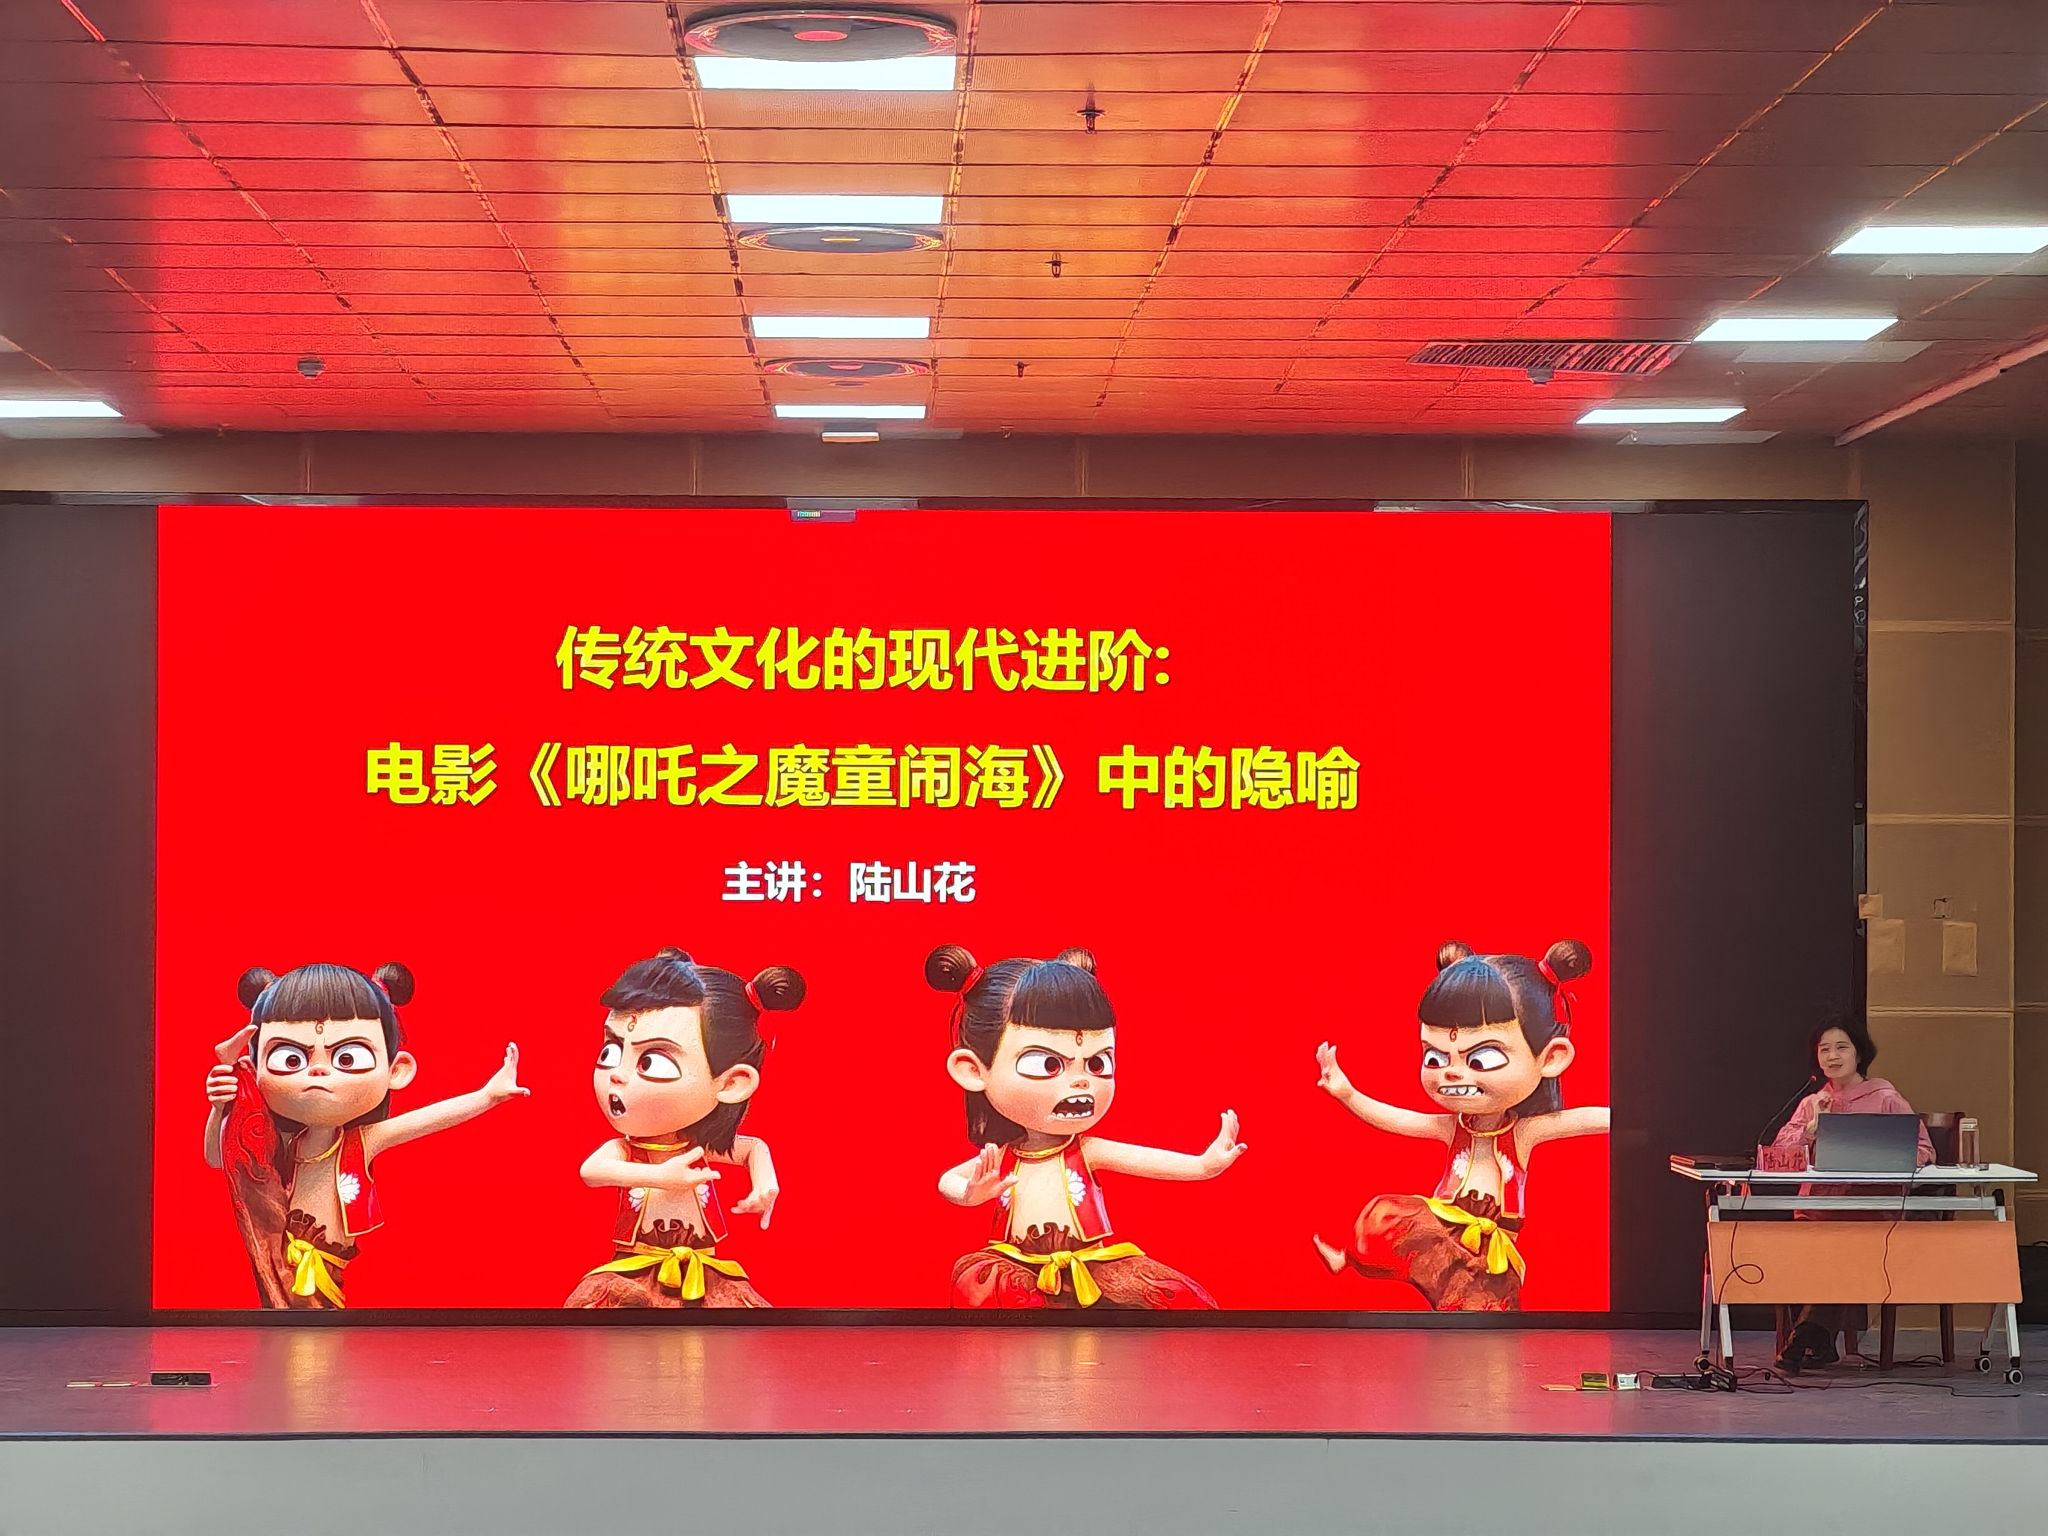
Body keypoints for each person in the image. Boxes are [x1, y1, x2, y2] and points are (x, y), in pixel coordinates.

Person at [931, 944, 1246, 1308]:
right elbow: (948, 1181)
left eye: (1098, 1064)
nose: (1081, 1081)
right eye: (1048, 1064)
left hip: (1091, 1267)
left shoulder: (1087, 1151)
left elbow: (1150, 1161)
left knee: (1174, 1301)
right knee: (989, 1296)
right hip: (1015, 1269)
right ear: (972, 1070)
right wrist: (970, 1194)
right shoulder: (1003, 1158)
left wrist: (1205, 1165)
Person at [202, 961, 527, 1308]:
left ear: (397, 1070)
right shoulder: (280, 1143)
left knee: (317, 1337)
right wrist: (224, 1107)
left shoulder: (360, 1143)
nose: (318, 1070)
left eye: (347, 1057)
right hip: (279, 1266)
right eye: (291, 1059)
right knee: (289, 1337)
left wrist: (487, 1096)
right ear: (255, 1070)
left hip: (325, 1267)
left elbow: (429, 1119)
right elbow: (219, 1158)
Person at [1312, 940, 1610, 1311]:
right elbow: (1396, 1119)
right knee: (1383, 1215)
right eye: (1435, 1057)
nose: (1452, 1072)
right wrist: (1348, 1094)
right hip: (1444, 1226)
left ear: (1552, 1057)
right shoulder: (1454, 1127)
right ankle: (1349, 1258)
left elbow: (1588, 1118)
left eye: (1482, 1058)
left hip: (1490, 1247)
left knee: (1479, 1313)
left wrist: (1643, 1116)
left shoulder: (1522, 1133)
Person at [566, 947, 801, 1308]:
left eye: (651, 1061)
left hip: (704, 1271)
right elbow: (592, 1171)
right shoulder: (628, 1150)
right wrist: (662, 1177)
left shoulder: (694, 1148)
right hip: (633, 1269)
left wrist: (765, 1184)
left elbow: (752, 1148)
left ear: (732, 1083)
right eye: (610, 1052)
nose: (617, 1075)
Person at [1770, 1014, 1935, 1371]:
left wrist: (1885, 1158)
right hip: (1815, 1212)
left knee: (1844, 1248)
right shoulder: (1811, 1103)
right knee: (1813, 1248)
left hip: (1869, 1214)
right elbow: (1779, 1154)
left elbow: (1923, 1151)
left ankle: (1805, 1336)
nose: (1832, 1056)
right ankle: (1818, 1339)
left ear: (1859, 1053)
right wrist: (1811, 1130)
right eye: (1824, 1049)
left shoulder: (1885, 1098)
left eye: (1841, 1047)